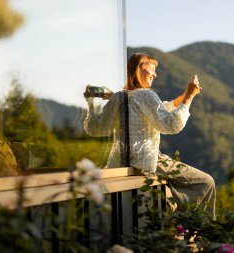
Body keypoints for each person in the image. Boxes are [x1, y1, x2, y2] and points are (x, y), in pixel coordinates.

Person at [83, 53, 216, 219]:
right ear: (139, 68)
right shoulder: (146, 95)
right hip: (147, 160)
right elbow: (172, 124)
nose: (155, 74)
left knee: (170, 188)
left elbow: (95, 128)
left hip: (119, 164)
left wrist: (90, 103)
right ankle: (197, 230)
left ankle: (169, 210)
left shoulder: (119, 97)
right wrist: (188, 97)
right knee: (206, 182)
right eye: (152, 68)